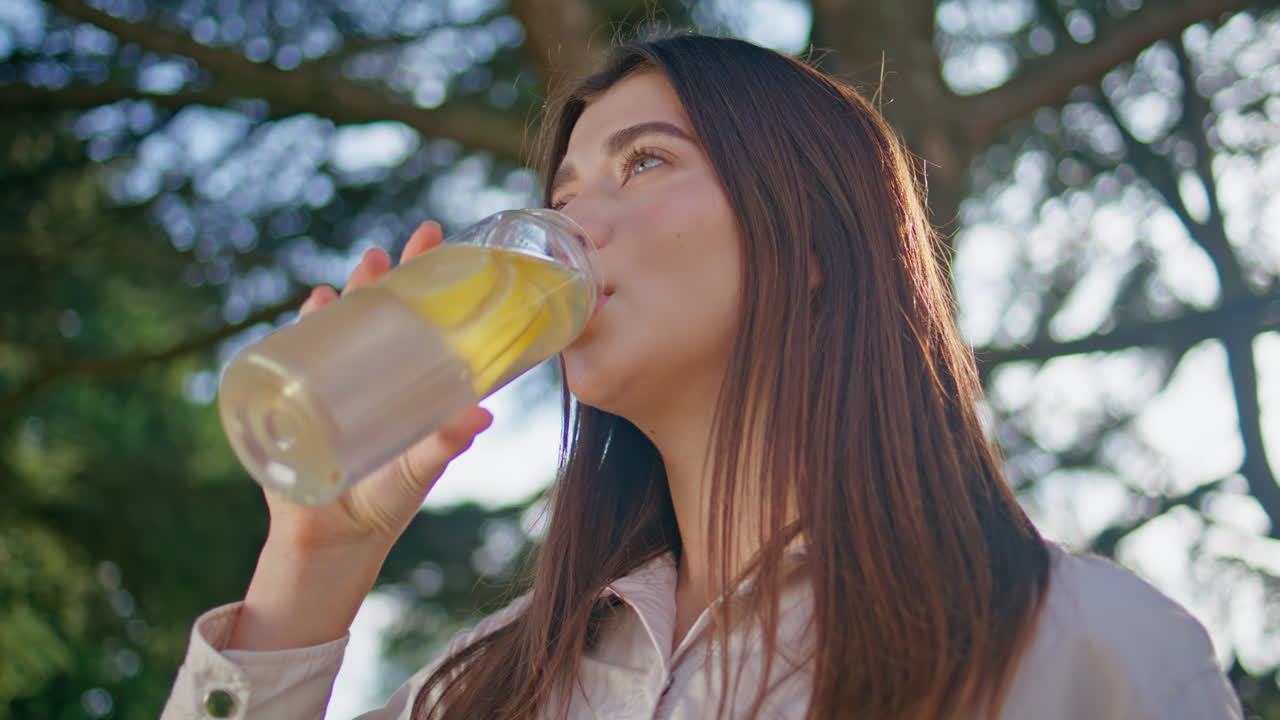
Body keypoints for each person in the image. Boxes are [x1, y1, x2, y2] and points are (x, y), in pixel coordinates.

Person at [161, 33, 1242, 720]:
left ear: (809, 239)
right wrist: (312, 566)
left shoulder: (1084, 651)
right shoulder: (491, 684)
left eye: (644, 162)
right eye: (561, 189)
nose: (571, 221)